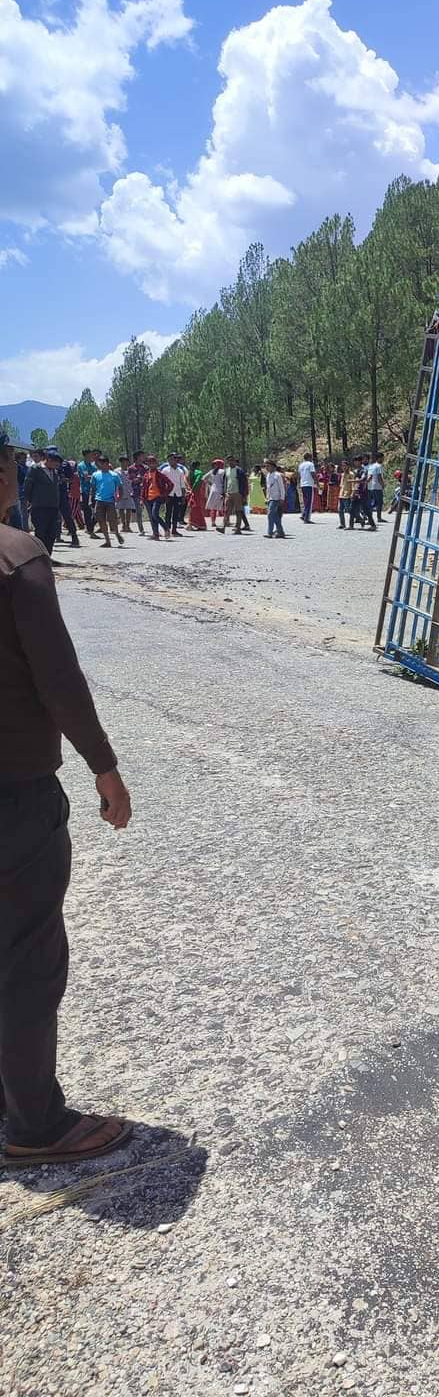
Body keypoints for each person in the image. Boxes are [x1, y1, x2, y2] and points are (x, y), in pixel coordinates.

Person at [0, 431, 134, 1169]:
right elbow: (58, 679)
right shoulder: (17, 556)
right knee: (27, 957)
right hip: (13, 792)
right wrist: (104, 766)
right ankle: (35, 1127)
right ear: (5, 475)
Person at [23, 448, 63, 557]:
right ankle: (39, 558)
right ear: (48, 460)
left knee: (52, 534)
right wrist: (32, 501)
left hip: (53, 508)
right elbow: (27, 487)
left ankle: (47, 557)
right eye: (55, 462)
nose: (57, 465)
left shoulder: (54, 472)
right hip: (39, 508)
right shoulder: (35, 469)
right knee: (41, 533)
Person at [91, 456, 124, 549]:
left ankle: (117, 533)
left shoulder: (114, 475)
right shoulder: (95, 475)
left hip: (110, 501)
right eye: (100, 463)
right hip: (99, 500)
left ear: (107, 463)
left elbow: (120, 487)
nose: (101, 465)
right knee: (101, 521)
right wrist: (92, 499)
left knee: (112, 520)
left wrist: (119, 497)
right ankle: (107, 540)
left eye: (103, 463)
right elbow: (93, 487)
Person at [141, 456, 172, 541]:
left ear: (156, 464)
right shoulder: (146, 475)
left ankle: (166, 528)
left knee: (155, 514)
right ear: (147, 464)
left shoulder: (160, 474)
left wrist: (165, 494)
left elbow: (170, 484)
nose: (151, 464)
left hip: (157, 497)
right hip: (148, 498)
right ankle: (156, 534)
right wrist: (142, 498)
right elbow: (144, 487)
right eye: (149, 463)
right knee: (152, 516)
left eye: (153, 462)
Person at [160, 454, 186, 537]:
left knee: (176, 512)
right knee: (168, 512)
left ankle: (174, 530)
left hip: (177, 494)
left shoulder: (180, 471)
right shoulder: (165, 470)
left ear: (176, 461)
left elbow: (182, 485)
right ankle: (167, 529)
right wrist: (163, 494)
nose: (171, 461)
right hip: (168, 494)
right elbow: (162, 483)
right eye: (170, 460)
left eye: (173, 459)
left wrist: (183, 496)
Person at [76, 449, 100, 539]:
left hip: (95, 491)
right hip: (86, 492)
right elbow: (86, 478)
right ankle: (90, 530)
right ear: (86, 456)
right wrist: (95, 476)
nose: (93, 457)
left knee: (99, 511)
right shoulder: (82, 465)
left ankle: (90, 527)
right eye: (91, 455)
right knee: (88, 511)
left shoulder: (93, 466)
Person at [223, 455, 249, 535]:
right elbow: (225, 482)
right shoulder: (226, 470)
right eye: (228, 461)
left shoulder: (239, 470)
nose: (230, 462)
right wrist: (224, 492)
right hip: (228, 493)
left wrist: (244, 495)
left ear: (234, 461)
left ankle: (238, 528)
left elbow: (245, 483)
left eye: (232, 460)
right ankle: (223, 526)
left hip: (238, 493)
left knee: (238, 511)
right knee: (227, 510)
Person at [263, 459, 286, 538]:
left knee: (270, 514)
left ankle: (269, 532)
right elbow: (268, 488)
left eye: (268, 466)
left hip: (276, 498)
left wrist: (282, 498)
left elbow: (281, 487)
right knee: (275, 516)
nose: (266, 468)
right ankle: (280, 531)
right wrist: (266, 498)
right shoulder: (268, 475)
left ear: (273, 466)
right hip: (270, 498)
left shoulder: (277, 475)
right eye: (265, 466)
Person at [126, 453, 147, 537]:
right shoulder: (131, 468)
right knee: (138, 511)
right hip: (136, 492)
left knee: (151, 510)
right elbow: (132, 480)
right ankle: (141, 529)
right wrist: (140, 479)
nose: (143, 457)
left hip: (146, 491)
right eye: (142, 455)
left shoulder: (145, 467)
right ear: (137, 457)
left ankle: (154, 529)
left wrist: (140, 479)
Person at [352, 461, 377, 531]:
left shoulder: (364, 470)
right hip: (357, 491)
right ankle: (360, 521)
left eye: (357, 462)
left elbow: (363, 479)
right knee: (352, 509)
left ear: (360, 462)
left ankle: (373, 525)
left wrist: (352, 481)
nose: (355, 463)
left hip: (363, 492)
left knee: (365, 509)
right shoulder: (357, 471)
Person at [186, 463, 207, 531]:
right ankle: (200, 524)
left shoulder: (188, 472)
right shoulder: (199, 473)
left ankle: (192, 524)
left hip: (192, 492)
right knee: (195, 507)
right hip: (196, 492)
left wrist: (190, 489)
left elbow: (189, 482)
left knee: (193, 507)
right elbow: (197, 482)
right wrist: (193, 489)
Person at [366, 451, 386, 523]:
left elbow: (370, 477)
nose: (383, 460)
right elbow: (379, 477)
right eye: (382, 458)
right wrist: (383, 484)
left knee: (372, 503)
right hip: (377, 487)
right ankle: (379, 518)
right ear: (379, 458)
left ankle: (368, 517)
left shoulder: (371, 466)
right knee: (379, 503)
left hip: (371, 487)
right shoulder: (379, 466)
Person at [298, 452, 316, 523]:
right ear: (309, 457)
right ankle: (307, 518)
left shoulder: (301, 465)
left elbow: (299, 476)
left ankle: (304, 514)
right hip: (309, 484)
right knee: (309, 502)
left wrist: (299, 484)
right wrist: (316, 483)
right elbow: (313, 474)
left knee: (305, 501)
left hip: (303, 484)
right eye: (311, 457)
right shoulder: (310, 464)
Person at [337, 461, 356, 529]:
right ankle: (342, 524)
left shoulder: (351, 474)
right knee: (340, 510)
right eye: (342, 466)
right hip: (341, 494)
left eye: (345, 466)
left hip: (348, 494)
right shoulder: (342, 474)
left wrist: (352, 492)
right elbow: (341, 485)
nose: (344, 467)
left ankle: (356, 520)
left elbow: (353, 484)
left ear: (348, 466)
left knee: (348, 510)